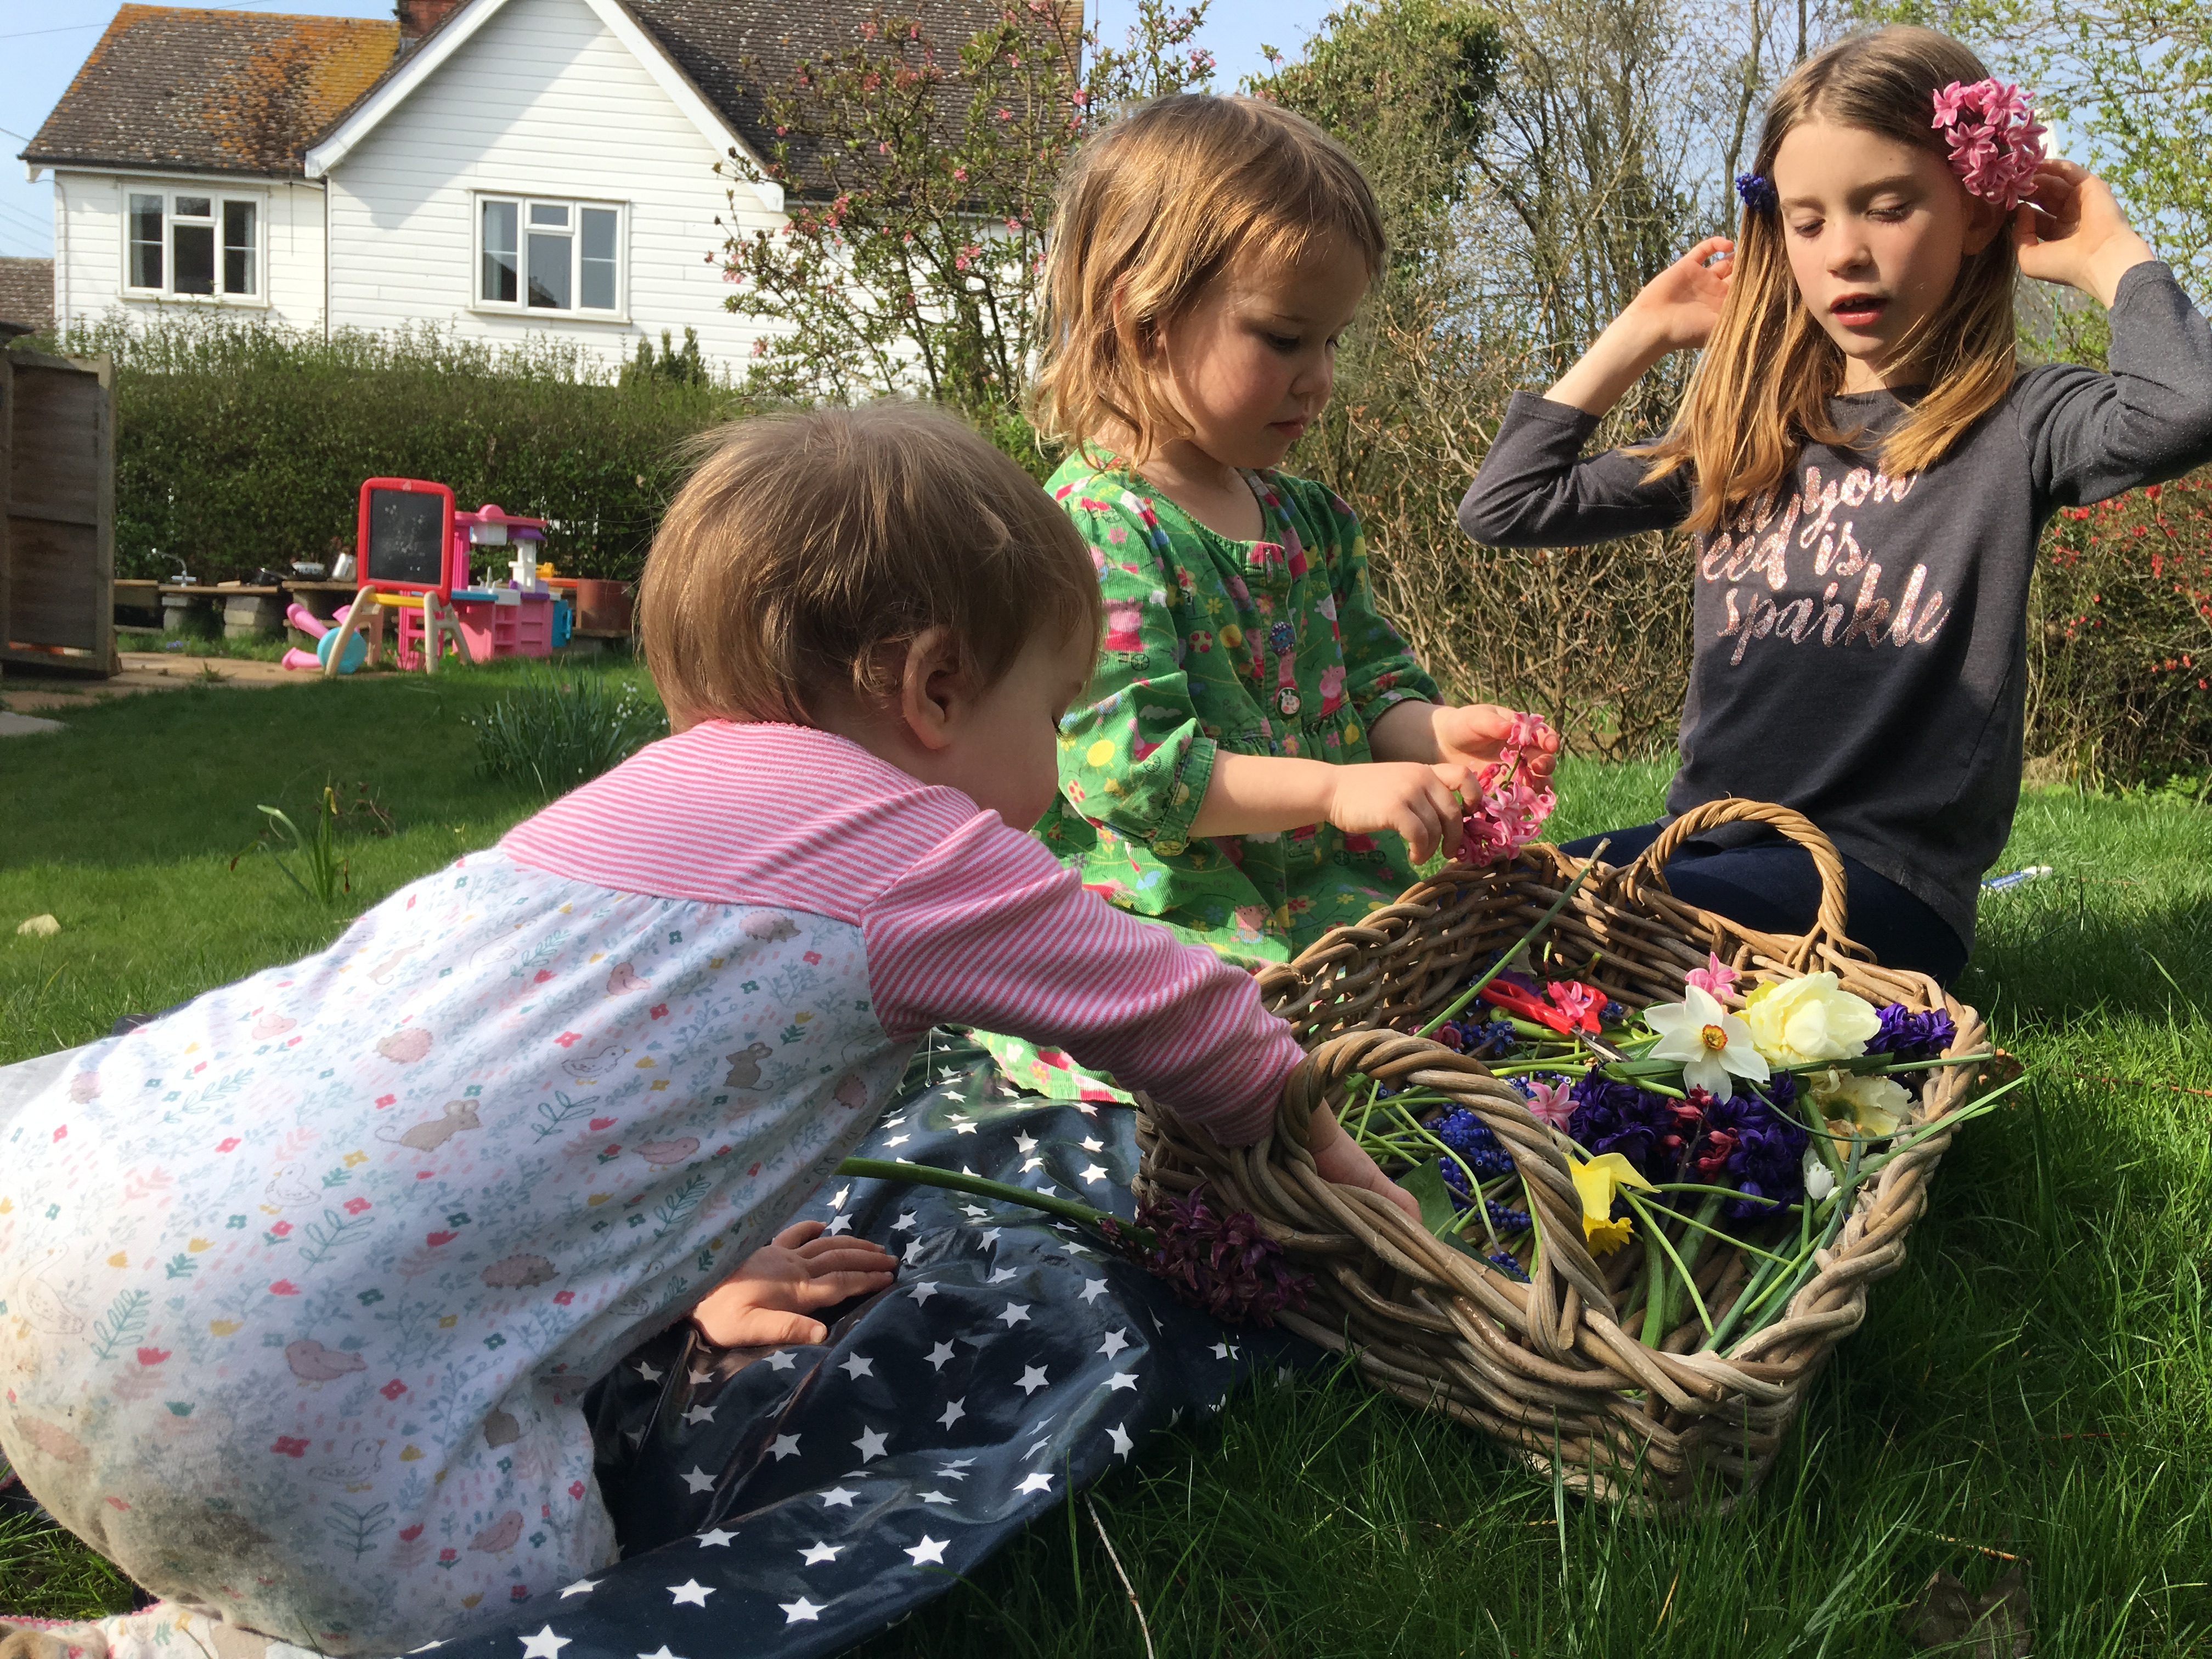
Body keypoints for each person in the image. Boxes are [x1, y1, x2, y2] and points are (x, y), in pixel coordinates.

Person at [0, 405, 1415, 1659]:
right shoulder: (923, 844)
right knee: (544, 1587)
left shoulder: (616, 807)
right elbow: (1179, 1011)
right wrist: (1327, 1162)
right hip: (282, 1417)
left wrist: (700, 1265)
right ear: (931, 690)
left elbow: (563, 1096)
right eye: (1052, 713)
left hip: (59, 1228)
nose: (1053, 768)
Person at [1459, 25, 2212, 985]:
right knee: (1489, 896)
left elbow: (2186, 408)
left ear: (1978, 217)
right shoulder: (1753, 435)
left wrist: (2108, 252)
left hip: (1879, 887)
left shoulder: (2020, 421)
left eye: (1889, 208)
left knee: (1593, 928)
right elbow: (1507, 505)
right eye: (1806, 223)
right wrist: (1646, 326)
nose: (1844, 253)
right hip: (1705, 848)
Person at [981, 93, 1558, 1099]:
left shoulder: (1310, 520)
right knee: (1248, 1052)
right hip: (1168, 917)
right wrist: (1338, 790)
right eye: (1285, 338)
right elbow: (1133, 774)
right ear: (1143, 316)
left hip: (1319, 901)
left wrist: (1437, 731)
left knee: (1478, 973)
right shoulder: (1098, 530)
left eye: (1332, 342)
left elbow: (1375, 682)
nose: (1319, 380)